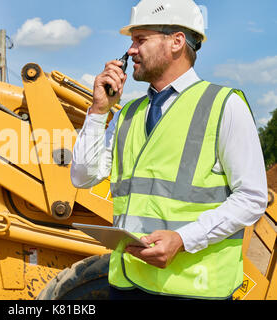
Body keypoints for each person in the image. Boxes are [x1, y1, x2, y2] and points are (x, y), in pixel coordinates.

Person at [71, 0, 268, 300]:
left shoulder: (224, 105)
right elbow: (82, 177)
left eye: (140, 39)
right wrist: (98, 111)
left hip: (194, 290)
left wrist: (183, 239)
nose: (130, 51)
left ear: (176, 42)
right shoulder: (127, 114)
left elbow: (252, 198)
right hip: (128, 284)